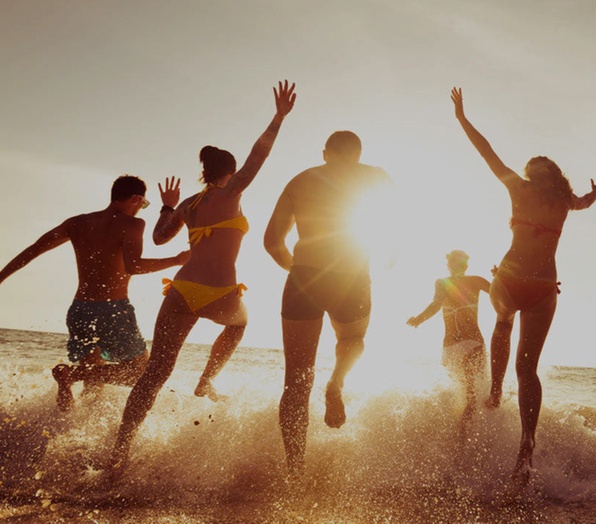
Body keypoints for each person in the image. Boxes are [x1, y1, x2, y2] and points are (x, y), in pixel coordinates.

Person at [109, 80, 296, 469]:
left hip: (182, 291)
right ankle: (206, 379)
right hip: (219, 291)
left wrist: (165, 206)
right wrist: (278, 117)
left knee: (155, 374)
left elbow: (160, 239)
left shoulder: (189, 206)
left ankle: (120, 449)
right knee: (239, 324)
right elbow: (257, 158)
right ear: (228, 172)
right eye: (235, 171)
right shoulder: (231, 194)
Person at [450, 87, 596, 488]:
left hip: (508, 279)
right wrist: (593, 193)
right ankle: (527, 440)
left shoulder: (518, 189)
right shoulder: (564, 200)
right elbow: (585, 204)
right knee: (529, 369)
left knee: (503, 322)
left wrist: (461, 117)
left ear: (531, 173)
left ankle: (492, 391)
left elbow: (486, 152)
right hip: (544, 287)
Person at [0, 175, 189, 410]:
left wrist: (1, 277)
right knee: (140, 374)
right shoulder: (132, 224)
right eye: (143, 204)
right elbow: (134, 266)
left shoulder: (77, 223)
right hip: (113, 310)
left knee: (94, 379)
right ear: (135, 198)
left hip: (80, 310)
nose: (142, 209)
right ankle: (70, 375)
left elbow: (34, 249)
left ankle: (79, 438)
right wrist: (176, 260)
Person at [263, 130, 392, 474]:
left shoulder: (300, 181)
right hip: (351, 275)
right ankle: (336, 382)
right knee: (351, 339)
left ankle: (295, 469)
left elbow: (272, 241)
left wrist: (299, 269)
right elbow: (394, 225)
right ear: (358, 154)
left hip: (304, 276)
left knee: (296, 380)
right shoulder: (375, 176)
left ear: (325, 153)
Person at [407, 250, 491, 426]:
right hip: (472, 342)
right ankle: (468, 440)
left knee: (459, 393)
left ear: (448, 265)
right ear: (466, 265)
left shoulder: (442, 283)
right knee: (477, 394)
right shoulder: (476, 281)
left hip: (450, 347)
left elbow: (436, 304)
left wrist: (418, 319)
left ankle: (454, 439)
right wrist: (500, 276)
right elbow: (502, 294)